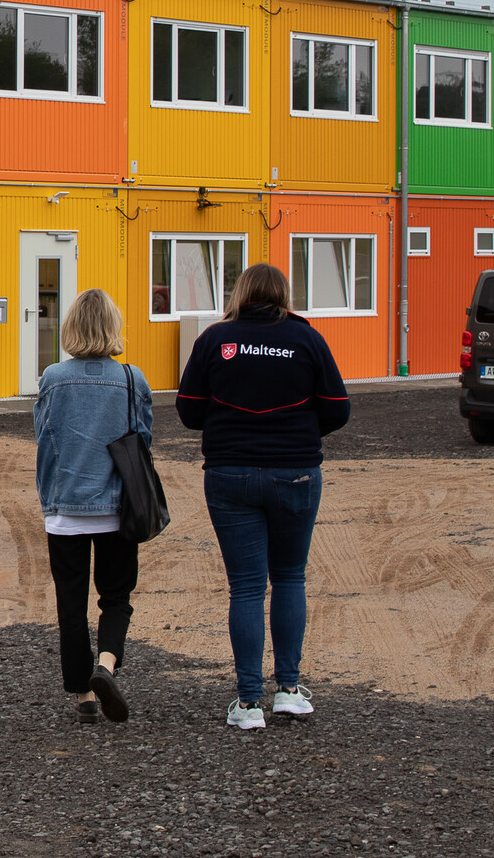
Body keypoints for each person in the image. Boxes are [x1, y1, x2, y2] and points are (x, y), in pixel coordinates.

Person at [175, 263, 350, 730]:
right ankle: (289, 691)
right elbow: (338, 409)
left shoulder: (215, 339)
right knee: (290, 577)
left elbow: (189, 412)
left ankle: (249, 703)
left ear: (241, 293)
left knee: (247, 586)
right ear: (283, 295)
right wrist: (300, 427)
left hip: (230, 474)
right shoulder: (307, 339)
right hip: (295, 472)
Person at [34, 288, 153, 725]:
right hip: (118, 508)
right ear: (113, 327)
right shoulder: (131, 379)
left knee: (71, 603)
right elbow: (144, 441)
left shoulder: (52, 378)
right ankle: (106, 664)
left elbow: (44, 442)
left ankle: (84, 694)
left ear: (71, 328)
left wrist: (51, 498)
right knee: (116, 596)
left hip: (66, 508)